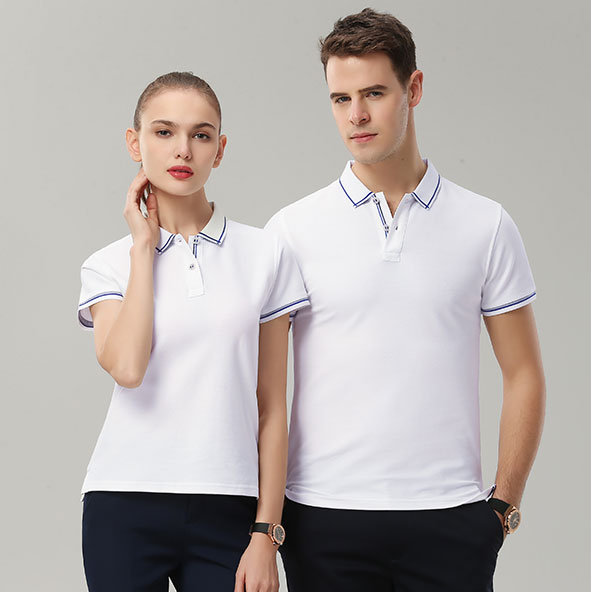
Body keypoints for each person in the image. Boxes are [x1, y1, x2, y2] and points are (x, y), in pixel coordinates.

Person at [265, 9, 546, 591]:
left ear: (413, 89)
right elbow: (264, 390)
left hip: (451, 519)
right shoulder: (292, 230)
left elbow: (524, 373)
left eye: (374, 93)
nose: (356, 115)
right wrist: (269, 524)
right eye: (341, 99)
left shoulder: (486, 225)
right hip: (323, 518)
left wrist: (502, 508)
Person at [77, 71, 309, 592]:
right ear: (134, 142)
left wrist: (266, 533)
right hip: (123, 501)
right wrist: (144, 247)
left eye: (201, 135)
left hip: (229, 507)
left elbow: (272, 405)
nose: (183, 149)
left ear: (219, 150)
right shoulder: (107, 265)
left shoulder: (265, 255)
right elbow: (128, 368)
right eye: (164, 132)